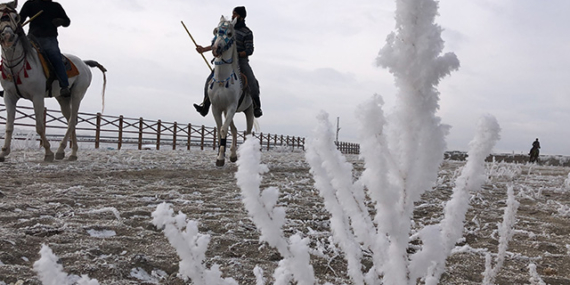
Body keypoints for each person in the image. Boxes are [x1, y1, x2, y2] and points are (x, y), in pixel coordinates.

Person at [193, 6, 263, 118]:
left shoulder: (247, 32)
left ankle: (256, 106)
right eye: (232, 13)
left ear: (241, 16)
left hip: (241, 61)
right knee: (209, 79)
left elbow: (250, 50)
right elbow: (219, 43)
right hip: (225, 61)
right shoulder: (228, 29)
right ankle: (205, 105)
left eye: (235, 14)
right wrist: (203, 50)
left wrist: (237, 54)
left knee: (251, 80)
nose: (232, 16)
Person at [19, 0, 71, 97]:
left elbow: (67, 21)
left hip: (49, 39)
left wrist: (61, 21)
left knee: (55, 57)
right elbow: (20, 19)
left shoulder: (55, 6)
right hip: (32, 38)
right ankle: (10, 87)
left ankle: (64, 86)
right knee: (17, 55)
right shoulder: (30, 4)